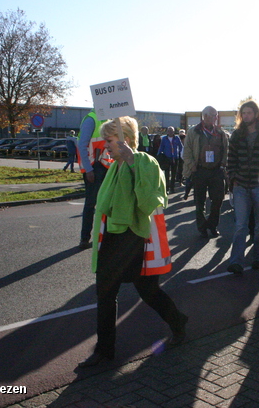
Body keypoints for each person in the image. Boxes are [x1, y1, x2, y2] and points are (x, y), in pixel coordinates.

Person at [78, 116, 187, 368]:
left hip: (133, 238)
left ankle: (178, 321)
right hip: (114, 237)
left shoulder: (145, 161)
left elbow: (151, 200)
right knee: (105, 292)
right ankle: (104, 351)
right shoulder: (113, 165)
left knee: (148, 291)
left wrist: (131, 161)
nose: (105, 145)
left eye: (109, 140)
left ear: (125, 140)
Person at [226, 100, 259, 275]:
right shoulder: (237, 135)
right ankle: (236, 261)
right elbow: (230, 160)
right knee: (240, 225)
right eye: (243, 113)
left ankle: (257, 258)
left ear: (256, 114)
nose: (246, 116)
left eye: (249, 113)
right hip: (241, 185)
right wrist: (233, 177)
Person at [183, 106, 229, 238]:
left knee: (218, 199)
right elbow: (186, 152)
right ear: (205, 116)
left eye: (216, 115)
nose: (215, 118)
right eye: (213, 115)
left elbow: (226, 150)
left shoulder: (220, 132)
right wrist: (192, 167)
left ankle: (212, 225)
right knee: (199, 201)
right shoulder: (194, 132)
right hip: (199, 170)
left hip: (216, 171)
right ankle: (202, 226)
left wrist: (223, 165)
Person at [77, 110, 113, 250]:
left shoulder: (108, 120)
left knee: (106, 204)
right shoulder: (91, 119)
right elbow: (82, 145)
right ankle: (85, 238)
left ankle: (104, 236)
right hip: (94, 167)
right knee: (91, 204)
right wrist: (88, 170)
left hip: (106, 166)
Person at [157, 126, 183, 194]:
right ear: (167, 132)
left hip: (175, 158)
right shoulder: (164, 139)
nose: (170, 132)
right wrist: (158, 156)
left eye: (172, 131)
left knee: (174, 174)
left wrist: (182, 155)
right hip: (167, 158)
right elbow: (161, 147)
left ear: (174, 131)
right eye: (169, 131)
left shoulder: (176, 138)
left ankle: (172, 188)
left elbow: (181, 147)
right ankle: (167, 189)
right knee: (167, 174)